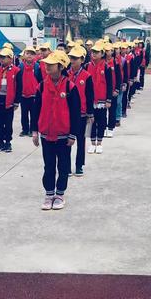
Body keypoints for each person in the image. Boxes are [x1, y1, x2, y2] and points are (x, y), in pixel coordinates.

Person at [31, 51, 81, 210]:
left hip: (64, 135)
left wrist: (73, 134)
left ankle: (60, 194)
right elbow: (35, 109)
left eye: (51, 64)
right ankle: (49, 193)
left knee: (64, 165)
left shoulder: (70, 86)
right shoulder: (41, 86)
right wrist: (34, 131)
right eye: (46, 64)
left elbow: (75, 112)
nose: (46, 66)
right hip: (46, 134)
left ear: (60, 66)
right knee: (49, 165)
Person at [0, 48, 22, 153]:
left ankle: (8, 142)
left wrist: (16, 101)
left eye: (4, 57)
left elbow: (19, 87)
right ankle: (0, 142)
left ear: (10, 58)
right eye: (0, 57)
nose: (1, 59)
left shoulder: (16, 71)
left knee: (8, 123)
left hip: (9, 100)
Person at [68, 46, 94, 176]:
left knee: (81, 141)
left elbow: (90, 96)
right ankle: (66, 166)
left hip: (82, 114)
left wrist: (90, 113)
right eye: (71, 57)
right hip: (67, 113)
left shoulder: (87, 76)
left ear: (82, 60)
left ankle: (79, 165)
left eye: (75, 58)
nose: (72, 60)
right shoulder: (66, 74)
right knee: (67, 141)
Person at [85, 42, 112, 154]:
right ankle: (92, 143)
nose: (94, 54)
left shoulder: (106, 67)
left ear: (102, 54)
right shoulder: (87, 66)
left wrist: (108, 99)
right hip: (90, 100)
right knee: (91, 121)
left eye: (97, 52)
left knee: (101, 121)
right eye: (93, 52)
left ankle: (99, 143)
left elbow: (110, 84)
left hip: (102, 99)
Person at [20, 46, 38, 137]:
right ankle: (24, 130)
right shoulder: (21, 66)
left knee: (33, 114)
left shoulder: (37, 66)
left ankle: (32, 129)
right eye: (27, 53)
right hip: (23, 95)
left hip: (34, 95)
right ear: (24, 55)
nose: (29, 55)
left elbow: (39, 79)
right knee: (24, 114)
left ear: (35, 56)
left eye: (32, 54)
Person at [104, 43, 121, 138]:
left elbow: (119, 76)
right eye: (106, 50)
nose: (107, 52)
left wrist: (117, 89)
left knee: (112, 110)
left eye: (109, 50)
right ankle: (104, 128)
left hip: (113, 89)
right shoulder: (102, 62)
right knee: (103, 112)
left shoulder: (115, 62)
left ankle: (110, 128)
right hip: (104, 90)